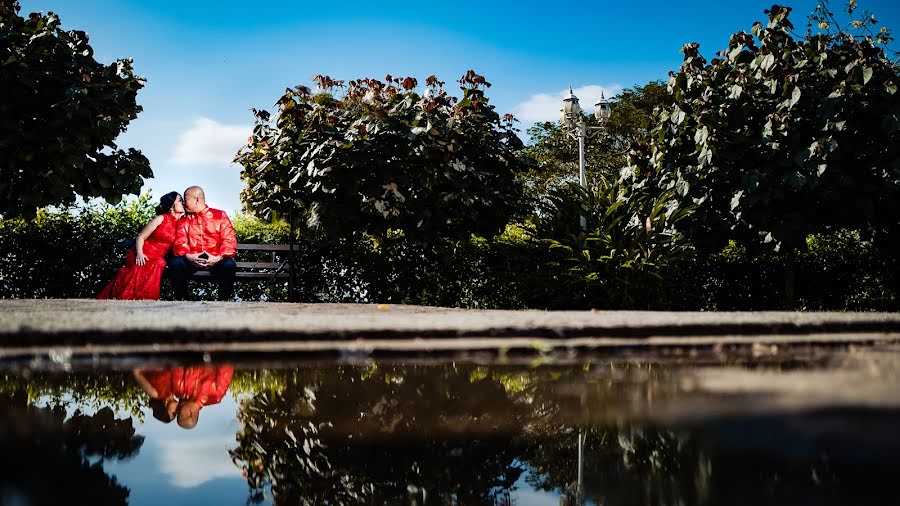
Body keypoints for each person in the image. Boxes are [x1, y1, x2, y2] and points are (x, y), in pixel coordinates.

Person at [97, 192, 184, 300]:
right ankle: (134, 297)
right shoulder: (161, 218)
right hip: (142, 252)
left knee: (160, 262)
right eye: (180, 200)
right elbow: (141, 237)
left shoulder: (181, 224)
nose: (183, 202)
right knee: (158, 262)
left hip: (157, 257)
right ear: (171, 205)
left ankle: (146, 299)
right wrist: (139, 254)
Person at [169, 186, 237, 301]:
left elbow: (229, 239)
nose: (184, 203)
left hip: (216, 260)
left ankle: (224, 302)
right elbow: (180, 242)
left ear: (197, 199)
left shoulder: (220, 215)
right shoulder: (183, 220)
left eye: (186, 199)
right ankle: (182, 302)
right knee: (175, 262)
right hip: (191, 260)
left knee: (229, 264)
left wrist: (218, 258)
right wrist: (189, 256)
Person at [170, 364, 234, 429]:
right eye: (179, 413)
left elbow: (178, 363)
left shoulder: (178, 390)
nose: (177, 409)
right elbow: (226, 367)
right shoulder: (215, 396)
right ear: (190, 413)